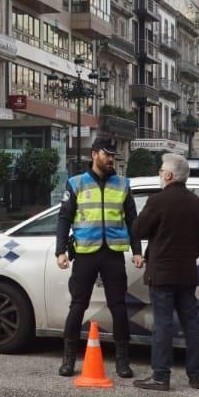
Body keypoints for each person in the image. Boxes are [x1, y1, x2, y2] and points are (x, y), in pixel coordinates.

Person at [54, 137, 143, 379]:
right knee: (78, 305)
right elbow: (64, 218)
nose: (111, 158)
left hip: (113, 253)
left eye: (113, 155)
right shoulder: (76, 183)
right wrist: (60, 251)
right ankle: (68, 360)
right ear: (94, 154)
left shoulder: (122, 184)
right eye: (107, 154)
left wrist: (137, 250)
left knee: (118, 306)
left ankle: (123, 361)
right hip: (85, 253)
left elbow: (132, 220)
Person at [131, 152, 199, 391]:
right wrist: (187, 256)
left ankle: (161, 376)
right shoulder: (197, 203)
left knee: (163, 324)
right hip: (187, 273)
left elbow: (138, 230)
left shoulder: (158, 200)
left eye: (160, 171)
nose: (159, 175)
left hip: (162, 274)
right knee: (191, 324)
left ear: (168, 175)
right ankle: (195, 376)